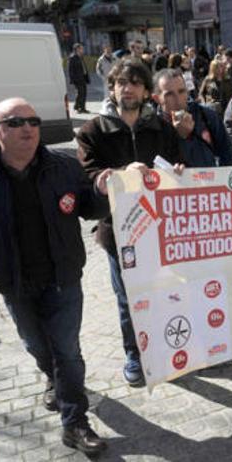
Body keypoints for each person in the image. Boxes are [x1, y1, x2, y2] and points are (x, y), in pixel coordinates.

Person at [0, 97, 110, 456]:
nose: (28, 129)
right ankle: (53, 378)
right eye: (16, 122)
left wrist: (101, 191)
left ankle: (75, 423)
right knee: (37, 345)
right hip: (15, 284)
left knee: (67, 350)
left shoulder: (64, 166)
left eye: (34, 122)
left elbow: (89, 209)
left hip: (63, 278)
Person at [76, 59, 184, 387]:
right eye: (122, 82)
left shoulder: (162, 127)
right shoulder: (92, 130)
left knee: (165, 291)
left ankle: (170, 347)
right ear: (112, 88)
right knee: (129, 298)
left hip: (161, 229)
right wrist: (120, 176)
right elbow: (87, 175)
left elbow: (180, 162)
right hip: (119, 231)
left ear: (146, 91)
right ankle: (134, 353)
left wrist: (178, 171)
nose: (128, 88)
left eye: (135, 82)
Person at [153, 68, 232, 168]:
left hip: (209, 182)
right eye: (169, 94)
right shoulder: (152, 127)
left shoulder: (207, 116)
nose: (178, 99)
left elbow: (227, 155)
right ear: (157, 98)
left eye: (181, 91)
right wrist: (183, 137)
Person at [68, 43, 89, 113]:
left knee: (84, 93)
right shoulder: (72, 58)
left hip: (83, 77)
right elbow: (70, 70)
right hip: (77, 79)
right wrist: (72, 80)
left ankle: (82, 107)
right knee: (80, 93)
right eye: (81, 48)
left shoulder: (81, 56)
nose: (83, 50)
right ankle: (78, 107)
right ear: (77, 49)